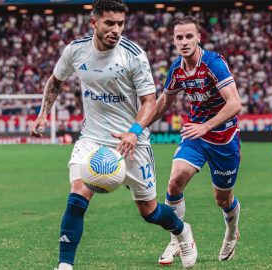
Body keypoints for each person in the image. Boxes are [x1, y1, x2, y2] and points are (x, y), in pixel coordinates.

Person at [30, 1, 196, 269]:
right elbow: (55, 81)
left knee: (149, 211)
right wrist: (42, 114)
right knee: (78, 194)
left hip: (132, 140)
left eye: (120, 23)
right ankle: (64, 265)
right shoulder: (75, 50)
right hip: (92, 139)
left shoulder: (133, 55)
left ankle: (181, 231)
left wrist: (133, 131)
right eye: (110, 23)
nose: (116, 29)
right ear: (94, 23)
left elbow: (150, 102)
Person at [149, 16, 242, 265]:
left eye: (189, 36)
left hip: (224, 138)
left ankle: (232, 232)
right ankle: (176, 239)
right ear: (174, 41)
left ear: (198, 37)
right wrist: (138, 127)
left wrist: (207, 126)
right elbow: (163, 103)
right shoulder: (177, 69)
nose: (184, 41)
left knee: (223, 199)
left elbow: (235, 103)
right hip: (195, 136)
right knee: (174, 182)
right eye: (179, 37)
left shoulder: (213, 62)